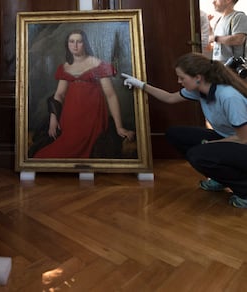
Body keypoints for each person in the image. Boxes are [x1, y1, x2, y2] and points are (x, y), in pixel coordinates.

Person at [121, 52, 247, 208]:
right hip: (230, 138)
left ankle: (244, 191)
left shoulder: (229, 97)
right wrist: (140, 84)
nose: (178, 81)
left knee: (198, 155)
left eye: (182, 78)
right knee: (175, 134)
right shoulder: (200, 90)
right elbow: (169, 98)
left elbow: (243, 139)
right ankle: (221, 178)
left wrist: (211, 144)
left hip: (243, 143)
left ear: (198, 78)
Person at [31, 29, 135, 159]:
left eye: (79, 42)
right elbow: (59, 95)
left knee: (82, 146)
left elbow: (111, 95)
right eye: (71, 42)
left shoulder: (97, 64)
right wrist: (53, 119)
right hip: (70, 117)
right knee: (48, 153)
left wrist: (119, 127)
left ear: (85, 43)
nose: (75, 45)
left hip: (92, 116)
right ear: (67, 44)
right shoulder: (65, 67)